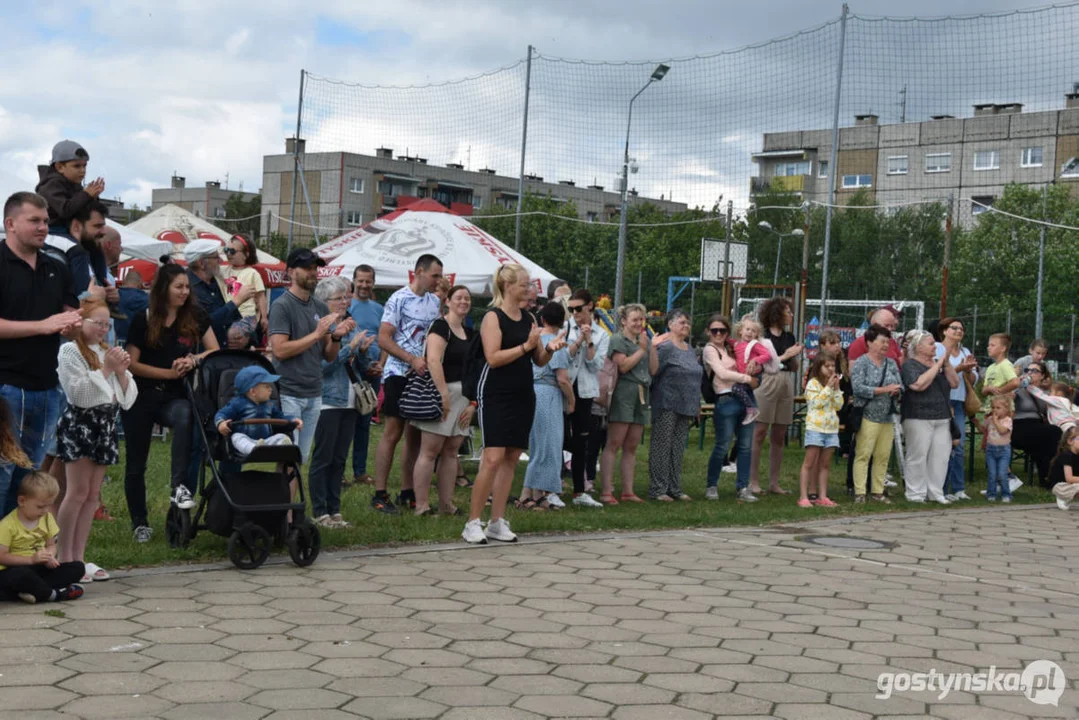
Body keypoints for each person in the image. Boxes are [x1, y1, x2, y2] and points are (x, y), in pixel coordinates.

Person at [462, 264, 565, 544]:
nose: (529, 288)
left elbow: (539, 359)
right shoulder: (492, 318)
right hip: (495, 393)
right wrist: (526, 345)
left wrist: (550, 349)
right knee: (493, 458)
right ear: (508, 286)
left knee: (510, 458)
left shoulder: (529, 318)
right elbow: (493, 358)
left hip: (523, 392)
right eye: (524, 284)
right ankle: (473, 522)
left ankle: (497, 521)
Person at [122, 262, 218, 542]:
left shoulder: (195, 316)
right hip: (140, 396)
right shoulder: (144, 317)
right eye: (179, 286)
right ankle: (139, 522)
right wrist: (169, 372)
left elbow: (215, 350)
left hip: (173, 396)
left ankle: (178, 487)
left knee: (185, 414)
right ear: (163, 288)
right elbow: (133, 365)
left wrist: (193, 359)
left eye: (187, 286)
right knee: (136, 463)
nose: (185, 292)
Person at [0, 192, 81, 515]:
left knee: (30, 478)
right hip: (5, 385)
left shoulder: (56, 266)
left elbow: (71, 318)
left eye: (46, 221)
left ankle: (15, 555)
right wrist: (44, 325)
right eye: (34, 220)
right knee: (2, 472)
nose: (43, 227)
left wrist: (73, 325)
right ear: (10, 224)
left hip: (47, 386)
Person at [56, 299, 136, 582]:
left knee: (91, 496)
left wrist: (122, 372)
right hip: (80, 425)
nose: (103, 329)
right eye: (98, 323)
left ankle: (79, 557)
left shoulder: (106, 351)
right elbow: (79, 394)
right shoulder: (69, 351)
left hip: (105, 426)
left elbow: (126, 399)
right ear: (82, 323)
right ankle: (63, 557)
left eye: (107, 324)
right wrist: (107, 369)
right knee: (76, 492)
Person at [371, 254, 443, 514]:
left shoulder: (434, 302)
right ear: (419, 272)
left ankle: (407, 491)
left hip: (422, 374)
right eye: (435, 275)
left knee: (415, 434)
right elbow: (383, 338)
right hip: (399, 371)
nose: (438, 280)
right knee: (393, 431)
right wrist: (410, 358)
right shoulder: (399, 298)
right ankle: (379, 493)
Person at [268, 249, 350, 465]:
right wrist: (316, 334)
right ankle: (286, 500)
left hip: (314, 393)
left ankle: (293, 500)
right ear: (291, 272)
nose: (313, 273)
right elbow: (279, 350)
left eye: (315, 268)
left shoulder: (320, 306)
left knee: (300, 459)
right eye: (307, 268)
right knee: (287, 458)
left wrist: (337, 337)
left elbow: (329, 355)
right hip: (289, 392)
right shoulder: (281, 306)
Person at [307, 278, 371, 527]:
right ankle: (320, 511)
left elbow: (359, 367)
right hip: (327, 400)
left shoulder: (349, 325)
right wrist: (347, 348)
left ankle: (335, 510)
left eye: (346, 297)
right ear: (325, 302)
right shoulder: (320, 328)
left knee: (339, 459)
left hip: (350, 399)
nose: (345, 301)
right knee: (323, 457)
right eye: (339, 298)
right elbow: (320, 367)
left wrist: (363, 352)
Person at [411, 285, 475, 516]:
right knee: (430, 451)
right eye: (458, 297)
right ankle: (422, 505)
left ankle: (446, 504)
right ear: (447, 301)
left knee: (451, 451)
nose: (463, 302)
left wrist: (472, 402)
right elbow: (434, 361)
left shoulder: (469, 332)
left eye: (467, 298)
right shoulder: (440, 326)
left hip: (462, 396)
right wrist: (443, 396)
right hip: (441, 392)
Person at [599, 303, 657, 505]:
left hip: (642, 392)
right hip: (624, 392)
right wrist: (641, 350)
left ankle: (628, 491)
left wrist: (652, 347)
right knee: (614, 442)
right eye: (635, 319)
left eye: (641, 320)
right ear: (624, 321)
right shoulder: (618, 339)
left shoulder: (644, 341)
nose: (639, 323)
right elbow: (623, 366)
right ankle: (606, 490)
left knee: (632, 444)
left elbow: (653, 369)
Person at [0, 472, 85, 604]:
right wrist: (31, 559)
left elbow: (51, 545)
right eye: (40, 506)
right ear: (22, 501)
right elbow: (2, 556)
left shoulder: (46, 518)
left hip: (38, 567)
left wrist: (49, 556)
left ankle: (31, 591)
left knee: (77, 567)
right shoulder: (7, 525)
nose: (45, 510)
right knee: (22, 575)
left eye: (49, 505)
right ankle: (54, 594)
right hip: (14, 569)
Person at [519, 302, 572, 510]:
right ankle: (531, 493)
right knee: (547, 445)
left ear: (542, 319)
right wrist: (572, 400)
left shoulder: (534, 340)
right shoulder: (555, 343)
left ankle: (534, 492)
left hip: (531, 391)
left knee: (538, 444)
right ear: (562, 321)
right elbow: (563, 378)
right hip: (548, 393)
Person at [646, 309, 702, 502]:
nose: (685, 325)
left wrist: (697, 404)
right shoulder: (665, 346)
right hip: (667, 402)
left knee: (677, 447)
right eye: (681, 322)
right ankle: (658, 488)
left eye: (687, 322)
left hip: (687, 404)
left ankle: (674, 487)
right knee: (662, 446)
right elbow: (653, 371)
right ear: (669, 324)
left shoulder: (690, 348)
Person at [703, 315, 759, 502]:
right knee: (723, 444)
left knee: (745, 446)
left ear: (728, 332)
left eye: (722, 330)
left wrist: (755, 373)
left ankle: (743, 487)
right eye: (714, 331)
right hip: (726, 399)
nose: (718, 334)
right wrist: (746, 379)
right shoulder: (710, 350)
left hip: (746, 397)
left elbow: (753, 362)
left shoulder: (734, 347)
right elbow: (722, 373)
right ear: (708, 332)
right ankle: (712, 485)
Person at [750, 297, 802, 495]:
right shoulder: (762, 338)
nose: (790, 314)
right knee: (760, 431)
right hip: (767, 380)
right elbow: (764, 363)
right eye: (787, 311)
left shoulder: (789, 336)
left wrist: (795, 357)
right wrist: (787, 355)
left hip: (786, 380)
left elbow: (792, 364)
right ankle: (753, 481)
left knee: (779, 434)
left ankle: (774, 482)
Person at [900, 329, 959, 504]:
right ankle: (915, 493)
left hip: (942, 416)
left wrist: (946, 364)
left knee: (940, 456)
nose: (935, 346)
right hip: (918, 416)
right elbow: (918, 385)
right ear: (918, 347)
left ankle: (936, 492)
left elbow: (955, 383)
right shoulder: (910, 365)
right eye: (931, 343)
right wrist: (937, 365)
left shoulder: (939, 364)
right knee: (917, 455)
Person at [850, 324, 903, 503]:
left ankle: (877, 491)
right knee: (863, 454)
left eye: (888, 342)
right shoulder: (861, 362)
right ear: (870, 342)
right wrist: (883, 390)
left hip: (887, 415)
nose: (886, 345)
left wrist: (897, 391)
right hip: (868, 415)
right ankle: (859, 492)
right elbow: (857, 388)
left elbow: (900, 384)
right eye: (882, 341)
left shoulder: (891, 363)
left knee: (883, 455)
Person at [564, 290, 607, 508]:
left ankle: (579, 490)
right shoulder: (566, 327)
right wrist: (579, 336)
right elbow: (564, 355)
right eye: (571, 309)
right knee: (560, 438)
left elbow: (595, 364)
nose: (575, 313)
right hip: (563, 387)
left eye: (579, 308)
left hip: (585, 391)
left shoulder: (602, 334)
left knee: (581, 441)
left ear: (590, 306)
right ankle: (550, 486)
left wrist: (589, 339)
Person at [934, 317, 978, 501]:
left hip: (959, 402)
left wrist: (968, 370)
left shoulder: (965, 351)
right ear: (944, 330)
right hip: (942, 401)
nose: (959, 331)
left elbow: (973, 380)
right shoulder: (937, 348)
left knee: (959, 445)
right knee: (943, 446)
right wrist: (959, 367)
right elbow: (937, 373)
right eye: (954, 328)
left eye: (961, 329)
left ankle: (958, 488)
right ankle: (942, 489)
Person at [347, 264, 383, 487]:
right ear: (354, 281)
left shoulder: (379, 309)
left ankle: (360, 471)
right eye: (360, 280)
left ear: (373, 283)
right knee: (344, 423)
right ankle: (338, 471)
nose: (364, 285)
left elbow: (385, 339)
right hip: (351, 370)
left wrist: (381, 364)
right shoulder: (345, 305)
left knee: (364, 422)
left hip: (374, 371)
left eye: (368, 281)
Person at [215, 365, 299, 456]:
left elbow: (281, 417)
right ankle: (254, 449)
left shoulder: (270, 405)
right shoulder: (237, 403)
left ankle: (281, 446)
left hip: (266, 441)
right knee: (236, 437)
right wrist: (221, 423)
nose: (271, 389)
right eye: (267, 386)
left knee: (282, 436)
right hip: (246, 440)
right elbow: (222, 413)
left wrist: (292, 419)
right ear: (253, 392)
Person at [185, 240, 255, 347]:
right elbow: (204, 324)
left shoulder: (216, 283)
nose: (221, 261)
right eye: (216, 257)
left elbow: (234, 317)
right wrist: (236, 301)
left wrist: (246, 338)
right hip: (203, 358)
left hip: (224, 355)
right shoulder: (187, 288)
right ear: (201, 263)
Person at [799, 353, 842, 508]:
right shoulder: (813, 384)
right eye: (827, 366)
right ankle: (803, 496)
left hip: (831, 430)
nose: (831, 369)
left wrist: (836, 390)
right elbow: (816, 403)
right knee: (809, 463)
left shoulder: (833, 385)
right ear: (819, 367)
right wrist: (828, 389)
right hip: (815, 428)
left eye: (833, 366)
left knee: (825, 464)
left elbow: (838, 406)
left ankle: (822, 496)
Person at [35, 141, 104, 235]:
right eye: (77, 166)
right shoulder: (51, 184)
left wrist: (93, 197)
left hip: (70, 231)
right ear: (60, 167)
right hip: (52, 232)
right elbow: (65, 210)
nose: (83, 170)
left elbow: (84, 212)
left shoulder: (73, 183)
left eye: (84, 166)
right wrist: (86, 194)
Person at [1011, 361, 1061, 488]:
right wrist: (1016, 385)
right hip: (1019, 426)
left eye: (1035, 371)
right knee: (1053, 433)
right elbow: (1007, 399)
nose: (1030, 373)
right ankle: (1049, 479)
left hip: (1037, 427)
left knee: (1046, 444)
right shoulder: (1020, 389)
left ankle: (1048, 479)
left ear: (1042, 375)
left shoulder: (1042, 393)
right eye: (1028, 370)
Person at [222, 234, 268, 339]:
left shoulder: (252, 273)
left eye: (232, 251)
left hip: (246, 317)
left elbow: (261, 296)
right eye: (226, 250)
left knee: (232, 335)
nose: (228, 254)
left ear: (246, 254)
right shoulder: (222, 270)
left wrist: (264, 317)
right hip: (228, 316)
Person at [732, 316, 775, 425]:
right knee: (741, 390)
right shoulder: (736, 344)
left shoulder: (754, 345)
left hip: (753, 376)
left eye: (753, 331)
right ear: (740, 331)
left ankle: (751, 409)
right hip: (743, 376)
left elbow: (767, 355)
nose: (750, 332)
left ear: (757, 334)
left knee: (736, 388)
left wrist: (755, 360)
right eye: (747, 329)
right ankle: (745, 412)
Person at [984, 395, 1014, 502]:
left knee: (1002, 473)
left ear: (1006, 410)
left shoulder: (1008, 420)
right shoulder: (989, 419)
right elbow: (984, 428)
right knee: (992, 473)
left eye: (998, 408)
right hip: (990, 449)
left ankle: (1006, 494)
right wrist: (978, 422)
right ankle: (991, 493)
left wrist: (995, 421)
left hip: (1004, 450)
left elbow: (1002, 431)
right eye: (993, 407)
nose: (994, 410)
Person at [115, 271, 149, 344]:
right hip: (136, 343)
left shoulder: (113, 296)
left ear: (124, 281)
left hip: (115, 340)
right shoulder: (146, 299)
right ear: (140, 284)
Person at [1050, 427, 1079, 510]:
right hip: (1060, 486)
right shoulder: (1066, 456)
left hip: (1072, 485)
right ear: (1070, 441)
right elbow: (1069, 478)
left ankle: (1067, 497)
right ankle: (1062, 497)